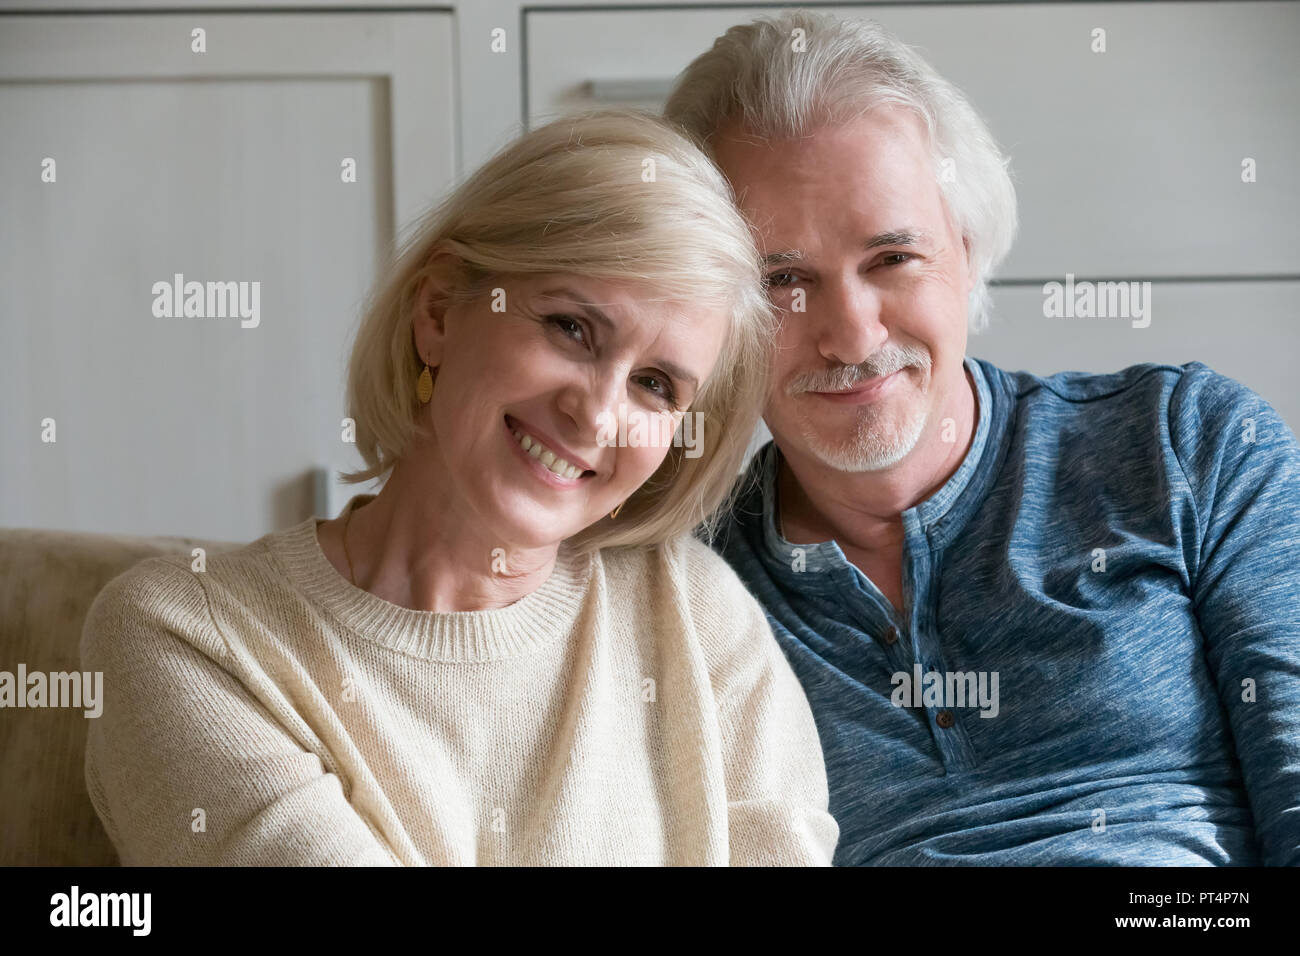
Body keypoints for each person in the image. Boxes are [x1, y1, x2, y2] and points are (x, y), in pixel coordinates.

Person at [80, 109, 839, 866]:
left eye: (654, 384)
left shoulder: (700, 617)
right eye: (571, 327)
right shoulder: (186, 636)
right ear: (438, 311)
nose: (596, 413)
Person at [665, 10, 1300, 865]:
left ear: (966, 253)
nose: (851, 335)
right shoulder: (684, 586)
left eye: (892, 258)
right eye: (780, 280)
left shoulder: (1190, 444)